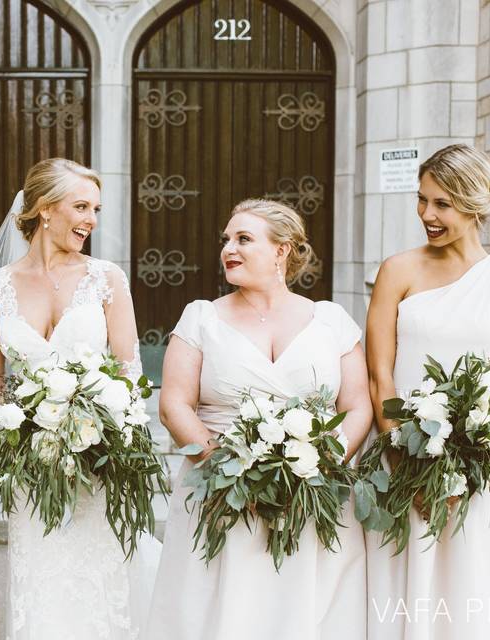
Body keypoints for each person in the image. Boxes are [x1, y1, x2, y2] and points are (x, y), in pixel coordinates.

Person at [143, 198, 371, 640]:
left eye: (244, 239)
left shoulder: (331, 320)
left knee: (307, 609)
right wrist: (231, 476)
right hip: (219, 492)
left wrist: (322, 466)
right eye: (226, 240)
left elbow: (358, 405)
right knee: (222, 610)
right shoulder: (201, 317)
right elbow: (174, 406)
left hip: (313, 494)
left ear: (282, 250)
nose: (229, 248)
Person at [0, 158, 159, 639]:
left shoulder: (106, 278)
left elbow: (129, 370)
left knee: (103, 576)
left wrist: (107, 425)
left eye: (95, 208)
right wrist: (21, 422)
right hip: (33, 465)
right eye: (81, 206)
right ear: (43, 210)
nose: (91, 220)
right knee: (41, 576)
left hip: (100, 459)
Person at [365, 144, 490, 640]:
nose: (427, 215)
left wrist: (473, 460)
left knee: (469, 588)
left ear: (475, 205)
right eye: (422, 200)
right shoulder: (399, 270)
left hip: (477, 469)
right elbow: (380, 374)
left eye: (442, 204)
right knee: (401, 587)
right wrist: (406, 460)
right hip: (402, 457)